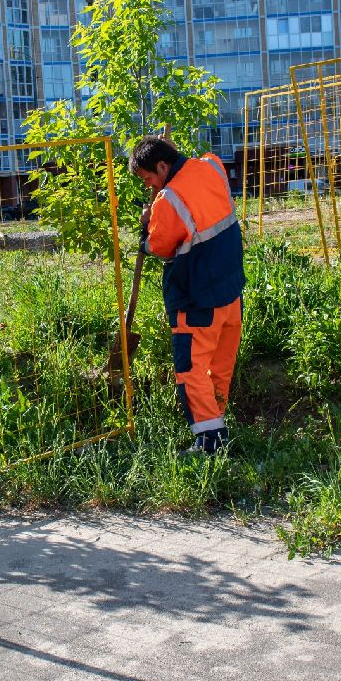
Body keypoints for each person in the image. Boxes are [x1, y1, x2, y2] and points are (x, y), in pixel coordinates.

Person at [130, 136, 244, 455]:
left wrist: (146, 225)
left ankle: (209, 443)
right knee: (219, 367)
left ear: (163, 166)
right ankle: (217, 426)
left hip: (198, 298)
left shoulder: (169, 199)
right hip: (231, 293)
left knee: (192, 370)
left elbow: (159, 246)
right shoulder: (211, 165)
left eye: (148, 177)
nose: (148, 185)